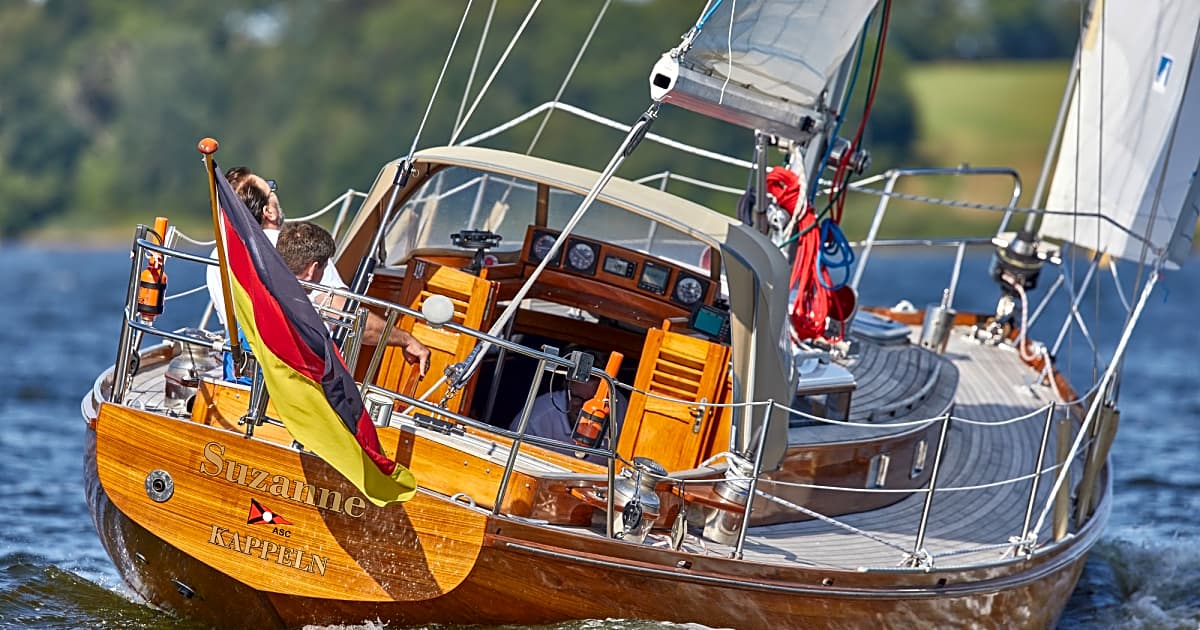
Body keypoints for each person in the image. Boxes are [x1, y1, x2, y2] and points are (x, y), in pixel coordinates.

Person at [276, 221, 430, 376]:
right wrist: (406, 340)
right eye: (324, 267)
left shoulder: (266, 282)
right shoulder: (310, 295)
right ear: (312, 269)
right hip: (301, 379)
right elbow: (354, 322)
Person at [515, 353, 627, 462]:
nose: (584, 407)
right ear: (567, 388)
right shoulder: (537, 418)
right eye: (577, 398)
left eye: (591, 400)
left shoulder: (622, 412)